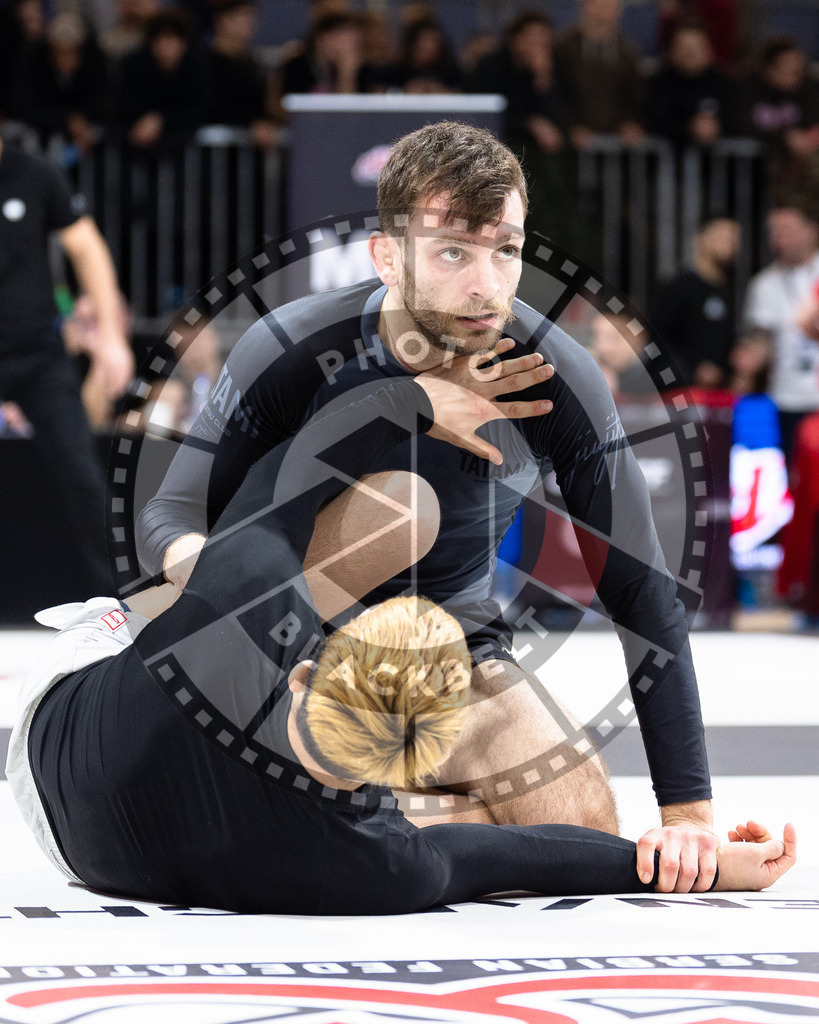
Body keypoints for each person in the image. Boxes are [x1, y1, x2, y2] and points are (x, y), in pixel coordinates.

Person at [136, 122, 718, 885]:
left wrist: (687, 815)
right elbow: (169, 518)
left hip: (454, 654)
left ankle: (376, 821)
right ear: (387, 256)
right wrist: (221, 593)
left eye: (504, 249)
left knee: (578, 826)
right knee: (398, 510)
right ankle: (377, 815)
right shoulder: (294, 349)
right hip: (294, 646)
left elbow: (640, 589)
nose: (486, 285)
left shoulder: (554, 377)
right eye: (452, 252)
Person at [7, 362, 797, 912]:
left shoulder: (238, 610)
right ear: (410, 776)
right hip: (95, 837)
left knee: (329, 528)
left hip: (63, 752)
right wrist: (707, 865)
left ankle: (154, 622)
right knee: (403, 518)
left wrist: (412, 398)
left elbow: (290, 472)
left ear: (305, 671)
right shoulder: (381, 861)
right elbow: (525, 854)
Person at [0, 136, 134, 598]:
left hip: (38, 354)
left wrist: (112, 339)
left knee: (83, 476)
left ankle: (120, 605)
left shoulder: (34, 174)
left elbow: (86, 248)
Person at [742, 195, 819, 462]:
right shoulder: (764, 284)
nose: (779, 239)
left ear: (811, 230)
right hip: (787, 399)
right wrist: (751, 357)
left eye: (787, 230)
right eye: (774, 232)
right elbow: (761, 342)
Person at [651, 217, 740, 388]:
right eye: (722, 236)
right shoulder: (679, 287)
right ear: (700, 240)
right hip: (681, 389)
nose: (730, 244)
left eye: (734, 239)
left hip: (721, 391)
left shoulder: (731, 290)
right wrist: (691, 370)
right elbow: (660, 340)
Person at [553, 0, 645, 150]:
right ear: (584, 6)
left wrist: (630, 123)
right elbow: (557, 93)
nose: (602, 9)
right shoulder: (563, 49)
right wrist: (570, 126)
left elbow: (635, 96)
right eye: (597, 3)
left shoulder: (628, 53)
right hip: (571, 144)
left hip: (617, 144)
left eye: (609, 4)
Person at [647, 17, 737, 149]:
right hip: (669, 158)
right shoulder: (658, 83)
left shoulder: (725, 83)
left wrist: (717, 127)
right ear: (672, 50)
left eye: (695, 48)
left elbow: (737, 120)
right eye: (683, 48)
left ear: (709, 50)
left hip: (718, 159)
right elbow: (654, 121)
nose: (689, 54)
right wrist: (690, 127)